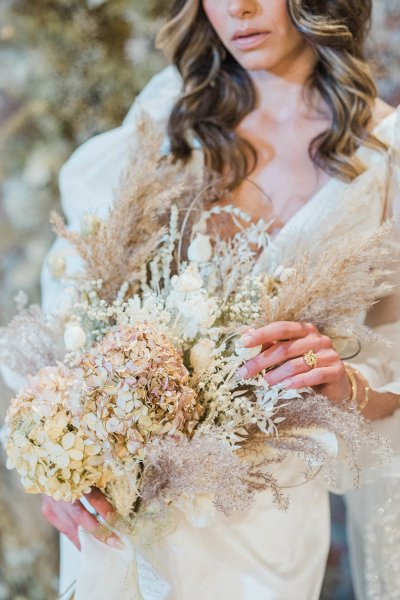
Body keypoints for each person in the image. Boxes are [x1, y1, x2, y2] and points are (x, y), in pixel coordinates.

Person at [37, 1, 400, 598]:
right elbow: (72, 315)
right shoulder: (164, 116)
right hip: (120, 501)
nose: (240, 9)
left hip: (262, 519)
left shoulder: (382, 156)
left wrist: (345, 383)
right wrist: (59, 462)